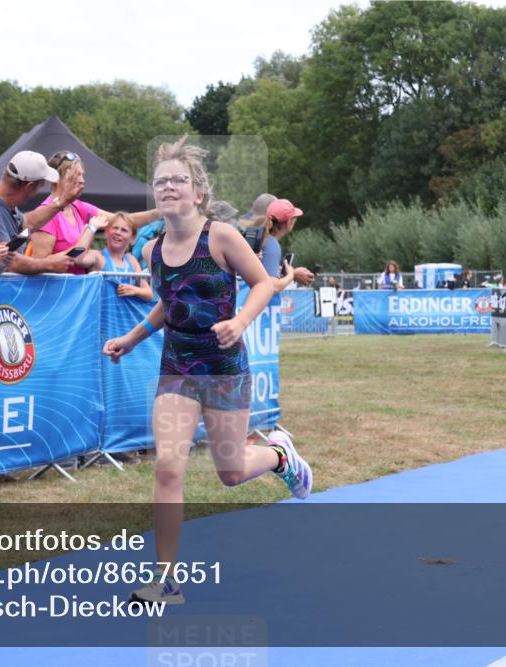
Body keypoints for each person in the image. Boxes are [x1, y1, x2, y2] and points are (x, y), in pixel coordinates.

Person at [102, 137, 312, 605]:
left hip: (223, 367)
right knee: (167, 467)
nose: (168, 187)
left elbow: (263, 284)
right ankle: (166, 580)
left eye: (178, 180)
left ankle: (278, 455)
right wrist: (132, 338)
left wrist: (240, 322)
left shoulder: (221, 236)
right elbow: (170, 304)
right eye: (161, 181)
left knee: (231, 472)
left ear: (198, 192)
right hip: (177, 368)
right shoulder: (153, 249)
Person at [28, 150, 158, 274]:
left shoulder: (77, 207)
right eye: (76, 175)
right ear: (57, 178)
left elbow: (125, 222)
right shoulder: (46, 215)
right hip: (57, 289)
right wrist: (89, 231)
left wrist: (160, 213)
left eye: (82, 175)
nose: (82, 180)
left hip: (78, 287)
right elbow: (40, 264)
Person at [0, 150, 81, 274]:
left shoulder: (4, 206)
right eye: (41, 185)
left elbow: (28, 223)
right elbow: (8, 262)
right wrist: (50, 264)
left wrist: (62, 202)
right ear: (29, 186)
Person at [85, 212, 153, 301]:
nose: (118, 232)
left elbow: (149, 294)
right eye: (115, 228)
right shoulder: (97, 256)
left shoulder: (131, 260)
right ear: (107, 232)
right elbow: (78, 259)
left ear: (132, 238)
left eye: (124, 230)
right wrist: (91, 228)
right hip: (104, 309)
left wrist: (135, 290)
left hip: (129, 310)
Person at [264, 198, 315, 287]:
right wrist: (292, 275)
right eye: (294, 218)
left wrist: (285, 273)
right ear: (289, 222)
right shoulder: (271, 246)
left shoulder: (263, 240)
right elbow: (273, 286)